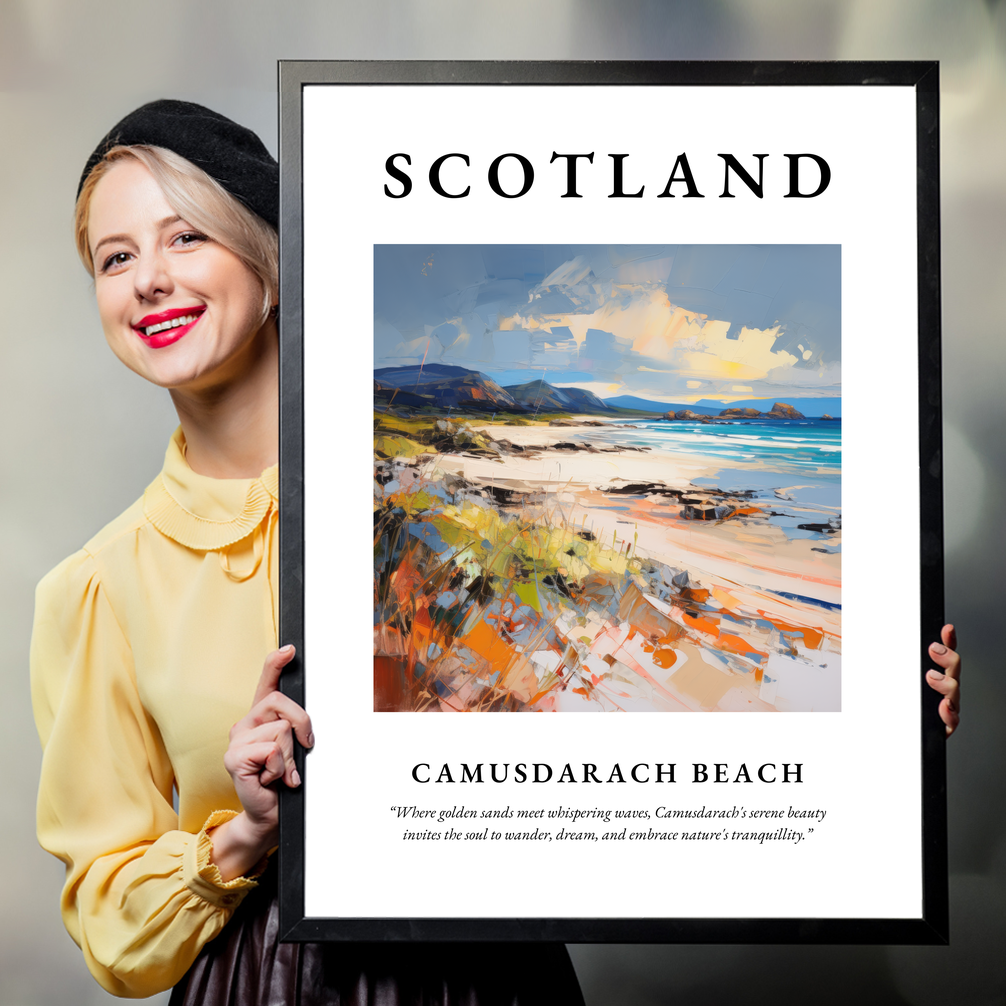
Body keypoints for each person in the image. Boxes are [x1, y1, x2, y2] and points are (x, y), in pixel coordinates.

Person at [30, 100, 585, 1004]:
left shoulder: (442, 505)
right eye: (116, 257)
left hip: (491, 973)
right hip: (263, 981)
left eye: (185, 239)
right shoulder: (97, 587)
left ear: (273, 264)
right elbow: (110, 924)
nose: (148, 281)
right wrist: (245, 832)